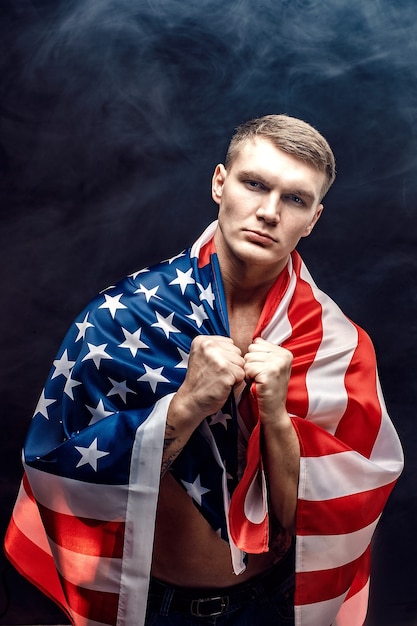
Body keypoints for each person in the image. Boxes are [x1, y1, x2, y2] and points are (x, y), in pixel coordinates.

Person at [5, 114, 403, 626]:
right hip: (154, 607)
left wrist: (277, 418)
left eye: (295, 199)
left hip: (270, 604)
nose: (268, 212)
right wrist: (187, 404)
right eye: (254, 183)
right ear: (220, 183)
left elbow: (314, 521)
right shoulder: (122, 317)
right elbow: (70, 483)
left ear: (314, 219)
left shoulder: (338, 346)